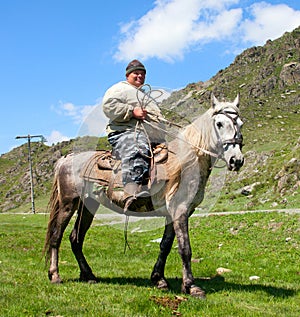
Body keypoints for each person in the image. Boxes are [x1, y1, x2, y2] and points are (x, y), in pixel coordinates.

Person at [102, 59, 167, 212]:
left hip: (147, 135)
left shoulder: (145, 95)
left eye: (142, 74)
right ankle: (132, 192)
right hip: (123, 132)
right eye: (136, 73)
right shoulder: (119, 89)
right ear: (127, 75)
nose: (139, 76)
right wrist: (132, 112)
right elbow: (108, 106)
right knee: (138, 146)